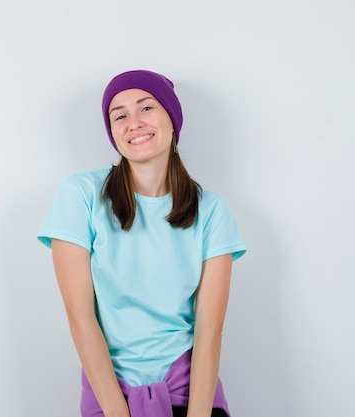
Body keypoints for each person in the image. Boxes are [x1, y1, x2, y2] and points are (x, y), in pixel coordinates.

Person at [37, 70, 246, 417]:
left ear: (172, 118)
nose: (133, 123)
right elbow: (81, 320)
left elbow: (209, 329)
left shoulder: (212, 211)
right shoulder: (80, 196)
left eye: (146, 108)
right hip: (110, 399)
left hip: (191, 396)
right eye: (119, 115)